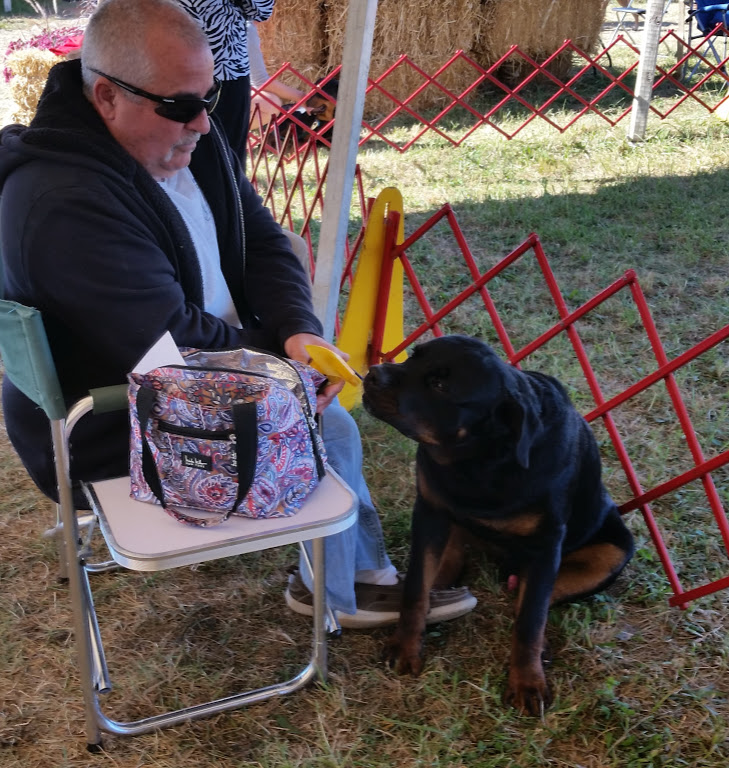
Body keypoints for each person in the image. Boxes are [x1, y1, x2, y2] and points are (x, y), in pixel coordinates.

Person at [0, 0, 476, 629]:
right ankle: (343, 591)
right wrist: (287, 372)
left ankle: (354, 574)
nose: (203, 121)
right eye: (180, 105)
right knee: (326, 427)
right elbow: (173, 346)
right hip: (116, 419)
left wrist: (299, 335)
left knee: (317, 405)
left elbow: (265, 241)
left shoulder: (179, 137)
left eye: (210, 94)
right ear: (107, 97)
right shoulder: (64, 202)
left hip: (170, 375)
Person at [176, 0, 274, 164]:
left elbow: (262, 10)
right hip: (222, 67)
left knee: (224, 162)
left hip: (222, 68)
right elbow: (261, 9)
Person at [247, 20, 306, 132]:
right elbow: (261, 81)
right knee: (271, 103)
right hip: (215, 97)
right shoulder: (245, 27)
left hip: (209, 93)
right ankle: (225, 139)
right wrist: (303, 97)